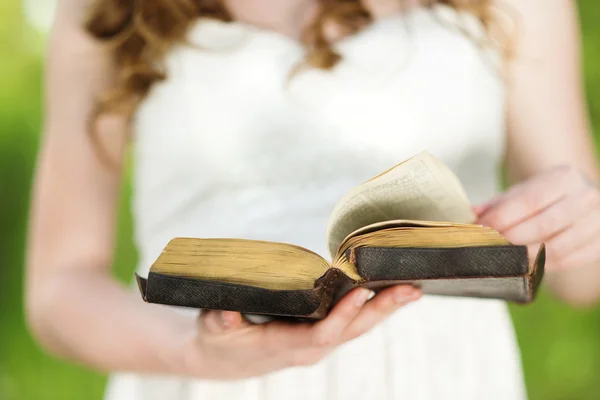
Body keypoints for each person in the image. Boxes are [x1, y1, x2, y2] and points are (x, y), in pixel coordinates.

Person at [25, 0, 600, 399]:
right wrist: (191, 354)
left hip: (437, 378)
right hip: (206, 380)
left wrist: (582, 218)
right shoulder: (107, 11)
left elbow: (584, 280)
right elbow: (59, 286)